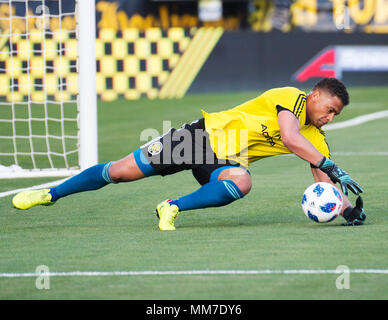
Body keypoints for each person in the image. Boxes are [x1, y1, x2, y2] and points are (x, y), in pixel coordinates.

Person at [12, 77, 366, 230]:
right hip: (197, 138)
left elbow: (322, 177)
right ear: (316, 95)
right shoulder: (291, 97)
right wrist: (327, 163)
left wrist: (345, 208)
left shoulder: (317, 141)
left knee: (241, 181)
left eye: (336, 115)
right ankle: (50, 193)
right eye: (330, 109)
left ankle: (172, 207)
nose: (330, 117)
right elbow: (290, 138)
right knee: (119, 172)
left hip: (226, 162)